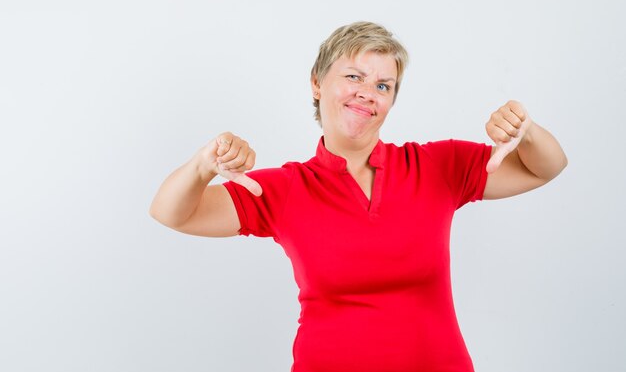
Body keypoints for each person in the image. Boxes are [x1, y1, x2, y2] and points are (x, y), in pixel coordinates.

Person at [149, 21, 567, 372]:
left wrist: (525, 131)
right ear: (317, 83)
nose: (368, 91)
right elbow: (172, 214)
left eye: (383, 85)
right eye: (353, 76)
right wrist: (203, 165)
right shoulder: (281, 189)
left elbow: (547, 166)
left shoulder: (438, 166)